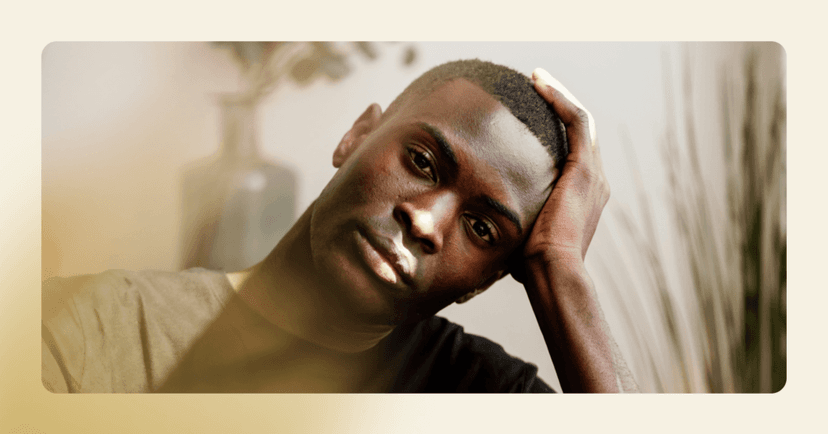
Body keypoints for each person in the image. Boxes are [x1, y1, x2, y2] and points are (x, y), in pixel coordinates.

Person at [42, 59, 638, 393]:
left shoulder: (482, 392)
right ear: (356, 135)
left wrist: (562, 269)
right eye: (421, 162)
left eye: (482, 230)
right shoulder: (97, 330)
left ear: (485, 281)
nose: (425, 222)